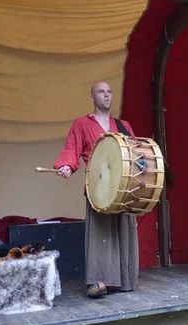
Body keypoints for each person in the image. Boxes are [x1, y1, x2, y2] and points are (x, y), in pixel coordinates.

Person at [54, 81, 139, 297]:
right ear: (92, 98)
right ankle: (97, 282)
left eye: (109, 92)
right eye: (101, 92)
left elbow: (136, 154)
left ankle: (124, 281)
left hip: (124, 188)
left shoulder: (124, 126)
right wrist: (66, 166)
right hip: (98, 189)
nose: (106, 95)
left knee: (125, 231)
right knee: (100, 236)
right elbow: (71, 151)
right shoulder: (82, 124)